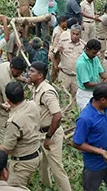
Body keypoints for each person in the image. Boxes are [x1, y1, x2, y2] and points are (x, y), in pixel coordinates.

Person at [0, 82, 41, 188]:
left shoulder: (14, 122)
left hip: (23, 163)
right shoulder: (33, 104)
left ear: (7, 100)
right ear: (24, 94)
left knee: (12, 187)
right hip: (36, 152)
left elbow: (6, 150)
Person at [72, 83, 107, 191]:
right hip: (94, 165)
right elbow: (76, 143)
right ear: (103, 100)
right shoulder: (85, 118)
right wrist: (100, 151)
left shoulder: (106, 108)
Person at [28, 62, 72, 190]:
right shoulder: (37, 88)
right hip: (42, 133)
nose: (29, 74)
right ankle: (46, 186)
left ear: (40, 75)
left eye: (32, 71)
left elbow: (57, 116)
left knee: (57, 168)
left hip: (50, 134)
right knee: (43, 164)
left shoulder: (47, 92)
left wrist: (48, 137)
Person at [0, 58, 29, 142]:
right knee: (4, 131)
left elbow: (15, 75)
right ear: (12, 67)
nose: (20, 74)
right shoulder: (5, 82)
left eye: (21, 73)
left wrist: (24, 80)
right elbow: (10, 104)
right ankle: (4, 151)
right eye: (18, 72)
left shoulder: (6, 64)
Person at [76, 39, 107, 110]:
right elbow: (87, 84)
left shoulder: (94, 58)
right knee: (88, 115)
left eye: (96, 53)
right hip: (85, 93)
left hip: (95, 92)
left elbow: (102, 74)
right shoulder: (81, 63)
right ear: (87, 49)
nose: (95, 55)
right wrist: (102, 84)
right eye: (93, 53)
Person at [52, 24, 86, 101]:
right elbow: (54, 55)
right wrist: (56, 65)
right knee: (62, 98)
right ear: (70, 33)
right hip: (64, 75)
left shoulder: (83, 46)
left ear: (80, 35)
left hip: (76, 77)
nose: (74, 36)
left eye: (77, 34)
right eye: (73, 34)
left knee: (75, 98)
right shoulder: (63, 42)